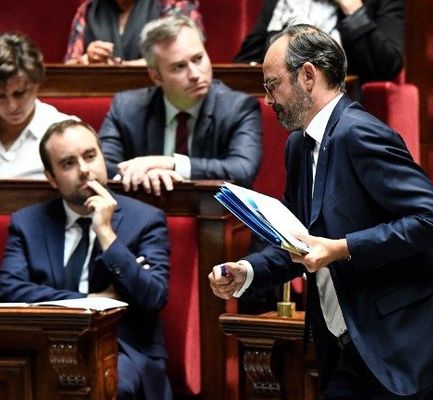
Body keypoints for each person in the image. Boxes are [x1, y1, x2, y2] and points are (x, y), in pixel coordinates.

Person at [209, 24, 433, 399]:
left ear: (308, 75)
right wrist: (248, 270)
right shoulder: (298, 145)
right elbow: (298, 240)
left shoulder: (359, 133)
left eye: (272, 85)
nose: (268, 100)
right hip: (344, 348)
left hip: (399, 350)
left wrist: (342, 247)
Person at [0, 119, 173, 399]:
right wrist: (88, 302)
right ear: (52, 178)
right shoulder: (28, 223)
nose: (84, 170)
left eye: (90, 156)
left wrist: (106, 233)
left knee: (108, 386)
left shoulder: (145, 220)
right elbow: (9, 290)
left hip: (124, 348)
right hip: (42, 346)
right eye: (68, 163)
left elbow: (153, 297)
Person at [99, 15, 262, 196]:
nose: (194, 74)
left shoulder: (238, 107)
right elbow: (102, 167)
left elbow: (242, 170)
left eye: (198, 58)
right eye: (179, 67)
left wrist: (172, 164)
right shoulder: (126, 108)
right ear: (156, 77)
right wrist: (146, 176)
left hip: (214, 216)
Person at [234, 0, 404, 83]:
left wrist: (353, 11)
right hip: (279, 98)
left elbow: (387, 67)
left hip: (344, 104)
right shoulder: (281, 3)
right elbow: (246, 62)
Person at [0, 32, 76, 179]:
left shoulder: (69, 133)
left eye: (20, 93)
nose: (12, 106)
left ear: (37, 84)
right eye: (0, 97)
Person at [64, 0, 203, 65]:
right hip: (97, 93)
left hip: (155, 93)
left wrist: (121, 66)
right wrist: (86, 61)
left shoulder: (171, 4)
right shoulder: (89, 9)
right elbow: (68, 68)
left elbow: (184, 57)